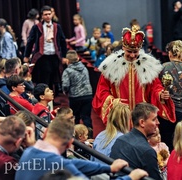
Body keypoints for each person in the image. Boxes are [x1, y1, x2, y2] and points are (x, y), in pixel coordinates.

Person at [92, 25, 176, 138]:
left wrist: (161, 94)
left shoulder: (148, 65)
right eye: (129, 52)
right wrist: (114, 102)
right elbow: (101, 92)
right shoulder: (111, 66)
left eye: (135, 52)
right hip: (120, 117)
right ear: (123, 48)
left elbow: (155, 86)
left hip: (142, 118)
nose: (132, 55)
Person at [15, 117, 148, 180]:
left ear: (44, 133)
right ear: (69, 144)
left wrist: (108, 168)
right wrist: (130, 178)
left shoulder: (29, 152)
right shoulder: (59, 164)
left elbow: (73, 163)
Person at [110, 102, 162, 180]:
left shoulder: (120, 140)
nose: (158, 122)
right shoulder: (147, 151)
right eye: (154, 119)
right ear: (142, 122)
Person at [23, 5, 67, 95]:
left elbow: (63, 41)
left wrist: (64, 56)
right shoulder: (37, 27)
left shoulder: (56, 26)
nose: (47, 16)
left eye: (49, 14)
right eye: (45, 14)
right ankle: (44, 98)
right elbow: (30, 41)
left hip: (54, 56)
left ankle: (51, 99)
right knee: (44, 78)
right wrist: (26, 55)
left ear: (52, 15)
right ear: (42, 16)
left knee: (54, 78)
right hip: (42, 57)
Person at [62, 50, 93, 128]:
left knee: (75, 118)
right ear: (78, 58)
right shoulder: (84, 68)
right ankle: (89, 135)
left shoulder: (67, 71)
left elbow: (65, 85)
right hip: (88, 95)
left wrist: (65, 91)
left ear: (68, 61)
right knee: (86, 117)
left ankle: (76, 136)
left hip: (75, 97)